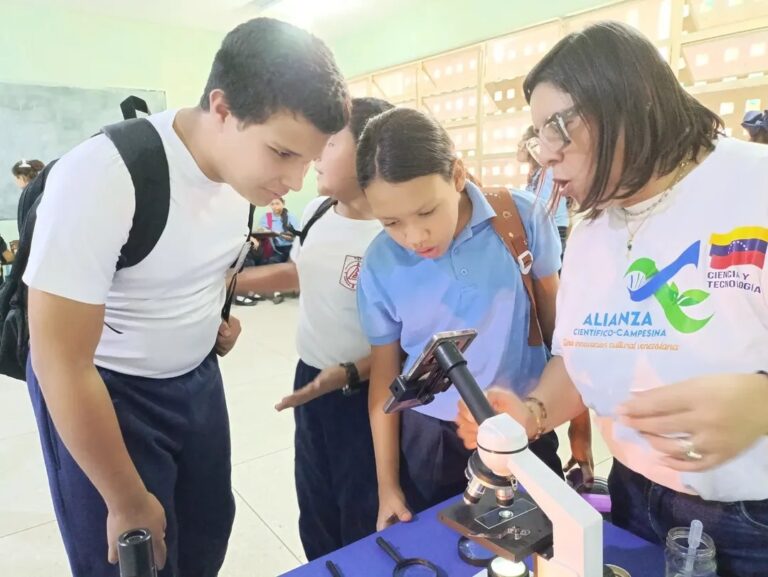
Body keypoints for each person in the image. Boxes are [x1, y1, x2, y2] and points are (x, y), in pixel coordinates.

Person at [24, 17, 349, 577]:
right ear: (221, 109)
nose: (294, 181)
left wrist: (209, 318)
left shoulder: (240, 177)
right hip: (109, 392)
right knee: (134, 554)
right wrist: (124, 497)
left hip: (195, 383)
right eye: (281, 153)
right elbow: (59, 360)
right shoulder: (104, 175)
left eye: (307, 160)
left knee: (203, 534)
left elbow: (199, 262)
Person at [456, 21, 768, 577]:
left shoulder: (753, 187)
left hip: (749, 520)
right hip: (632, 495)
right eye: (537, 135)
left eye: (559, 128)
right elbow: (582, 356)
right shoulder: (595, 225)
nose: (546, 155)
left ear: (636, 99)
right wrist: (531, 412)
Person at [355, 107, 594, 531]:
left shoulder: (520, 218)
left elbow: (563, 338)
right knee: (445, 545)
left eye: (427, 212)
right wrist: (387, 486)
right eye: (391, 222)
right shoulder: (379, 264)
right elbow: (383, 381)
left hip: (525, 421)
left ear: (458, 175)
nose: (414, 237)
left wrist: (580, 431)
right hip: (433, 437)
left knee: (541, 541)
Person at [236, 97, 394, 560]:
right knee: (315, 499)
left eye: (329, 143)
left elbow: (410, 343)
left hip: (364, 391)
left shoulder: (392, 233)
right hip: (311, 379)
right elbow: (301, 271)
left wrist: (349, 372)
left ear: (369, 151)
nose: (315, 154)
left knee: (360, 508)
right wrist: (232, 281)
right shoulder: (319, 211)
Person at [518, 126, 570, 258]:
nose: (519, 146)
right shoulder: (537, 173)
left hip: (553, 230)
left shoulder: (547, 171)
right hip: (548, 228)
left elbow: (543, 207)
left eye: (523, 141)